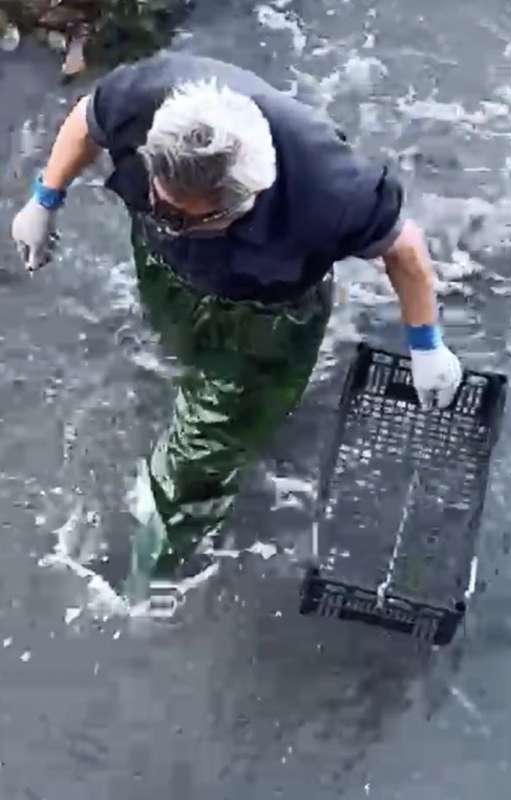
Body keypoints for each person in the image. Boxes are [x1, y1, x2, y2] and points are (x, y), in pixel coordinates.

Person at [11, 52, 462, 595]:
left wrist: (426, 343)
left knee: (203, 458)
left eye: (192, 218)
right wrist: (44, 199)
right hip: (169, 270)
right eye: (166, 207)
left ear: (246, 196)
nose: (174, 221)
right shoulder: (153, 98)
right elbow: (89, 116)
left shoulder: (331, 188)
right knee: (181, 349)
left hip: (270, 309)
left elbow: (404, 250)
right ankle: (193, 388)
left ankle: (150, 584)